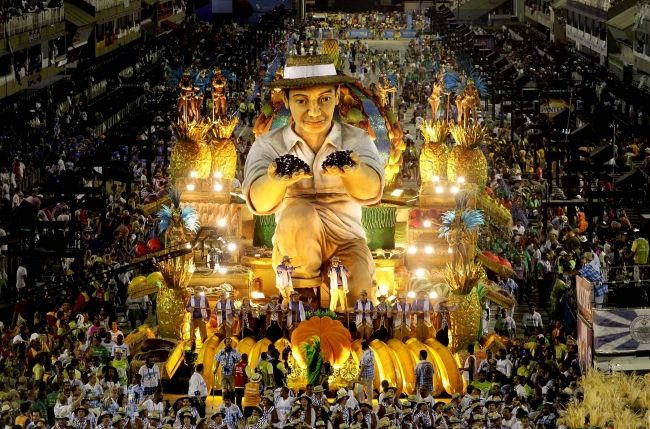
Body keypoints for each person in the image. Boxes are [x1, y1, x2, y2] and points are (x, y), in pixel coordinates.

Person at [243, 54, 385, 303]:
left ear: (338, 96)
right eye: (302, 101)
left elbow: (371, 191)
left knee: (357, 300)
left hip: (347, 240)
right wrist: (277, 179)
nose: (314, 111)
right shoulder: (269, 145)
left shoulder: (357, 140)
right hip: (296, 245)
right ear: (286, 100)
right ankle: (302, 300)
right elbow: (259, 202)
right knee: (299, 213)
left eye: (324, 99)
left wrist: (353, 170)